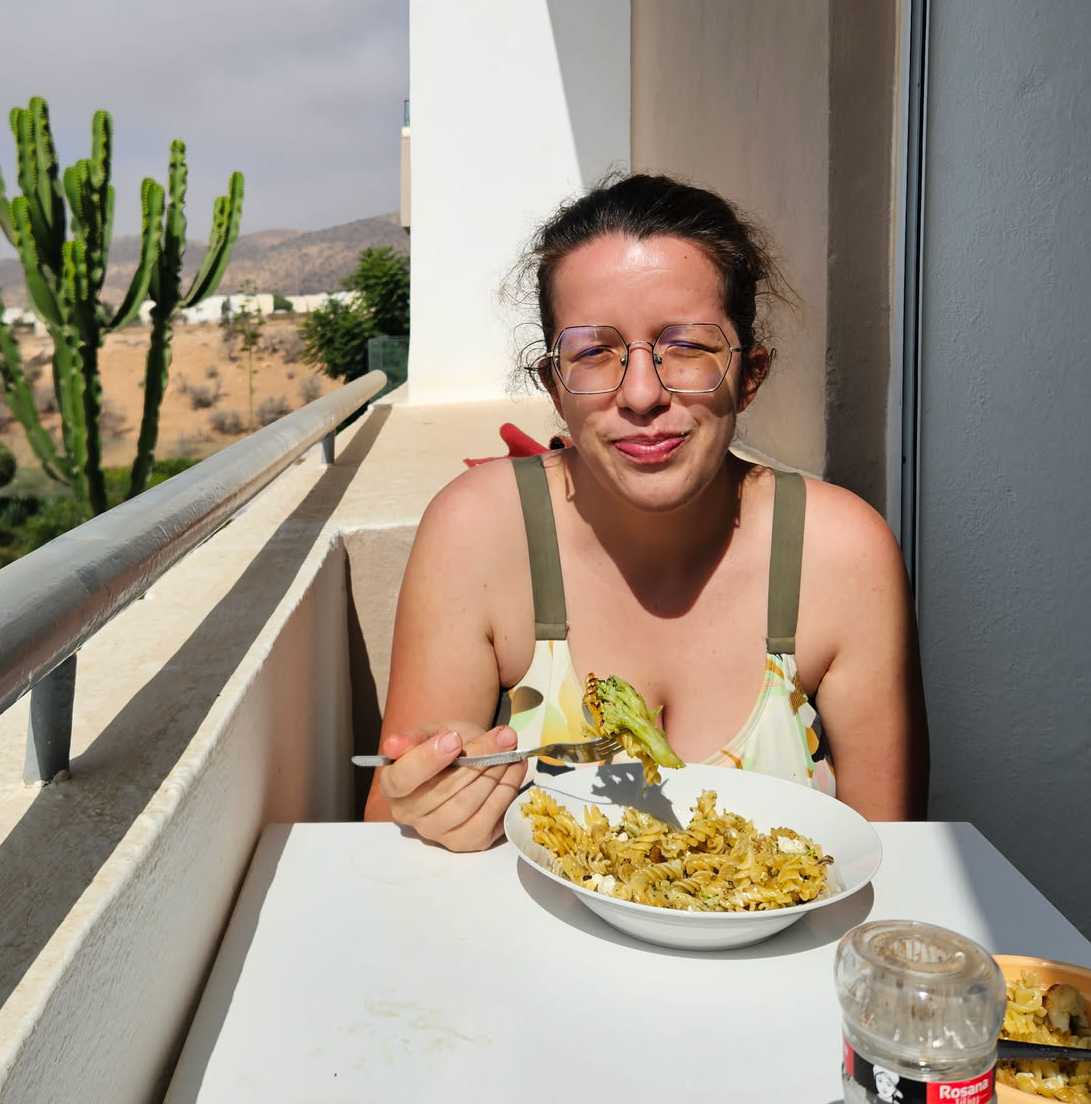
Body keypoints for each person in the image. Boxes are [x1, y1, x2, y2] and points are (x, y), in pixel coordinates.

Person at [366, 173, 927, 849]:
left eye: (686, 347)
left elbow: (897, 857)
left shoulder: (840, 554)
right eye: (592, 353)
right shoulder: (477, 535)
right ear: (554, 386)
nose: (639, 394)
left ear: (750, 374)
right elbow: (391, 826)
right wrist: (429, 803)